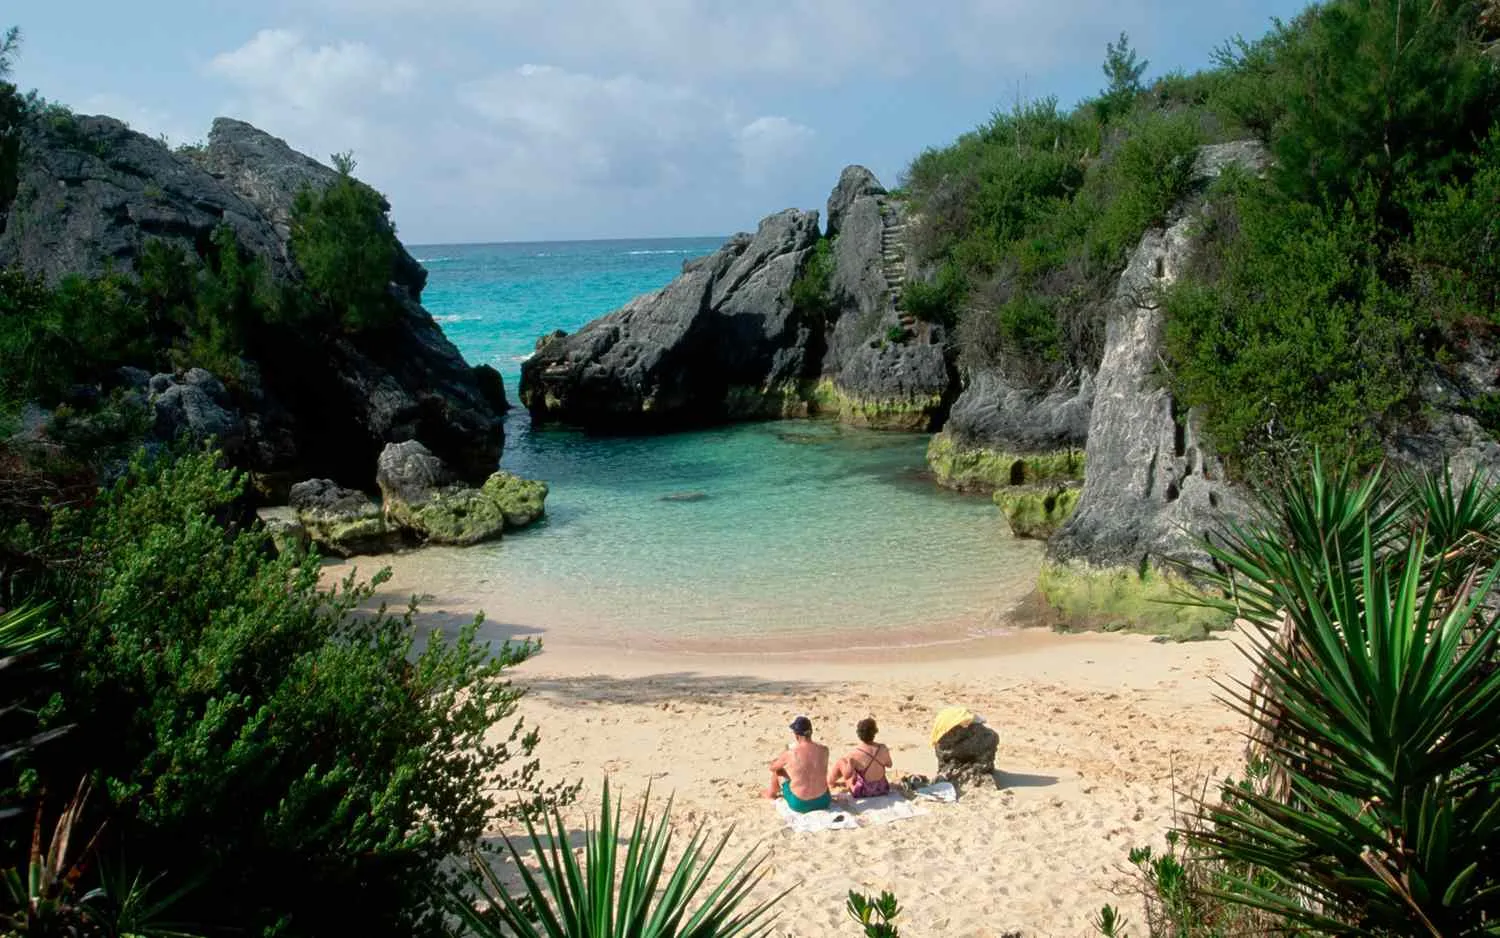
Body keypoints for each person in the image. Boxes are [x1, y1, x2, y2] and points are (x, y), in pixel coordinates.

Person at [766, 715, 831, 813]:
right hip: (823, 801)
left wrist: (779, 760)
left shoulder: (791, 753)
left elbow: (772, 768)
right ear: (811, 732)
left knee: (778, 771)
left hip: (800, 804)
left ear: (796, 735)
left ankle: (770, 795)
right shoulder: (824, 750)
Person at [830, 717, 893, 798]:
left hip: (863, 791)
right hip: (882, 789)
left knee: (841, 762)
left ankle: (830, 782)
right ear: (874, 732)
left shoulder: (855, 753)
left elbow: (847, 776)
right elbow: (889, 765)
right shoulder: (883, 748)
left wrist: (850, 763)